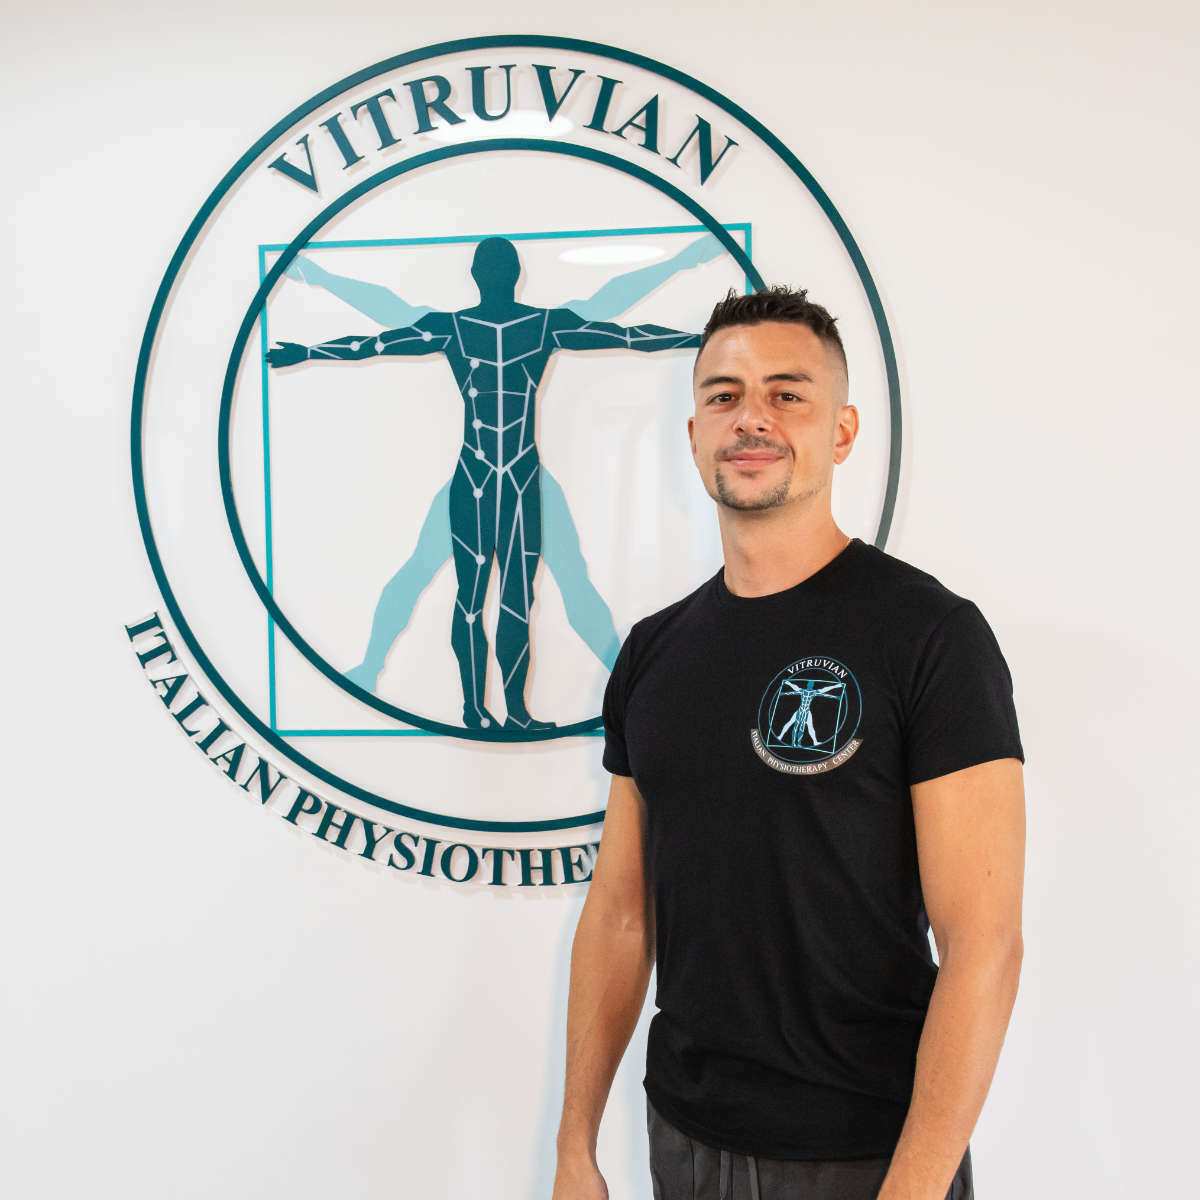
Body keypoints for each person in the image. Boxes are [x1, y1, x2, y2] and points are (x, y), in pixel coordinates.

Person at [552, 288, 1025, 1199]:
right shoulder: (653, 653)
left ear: (842, 432)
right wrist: (576, 1147)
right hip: (683, 1140)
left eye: (787, 394)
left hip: (866, 1155)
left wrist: (914, 1189)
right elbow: (618, 912)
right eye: (725, 396)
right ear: (695, 433)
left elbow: (985, 945)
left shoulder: (930, 636)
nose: (752, 418)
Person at [266, 236, 699, 731]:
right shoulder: (533, 325)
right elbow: (627, 336)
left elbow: (372, 344)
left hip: (491, 475)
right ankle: (488, 710)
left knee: (491, 598)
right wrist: (698, 338)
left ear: (478, 275)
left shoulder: (467, 327)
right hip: (507, 476)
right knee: (498, 599)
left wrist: (308, 350)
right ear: (512, 275)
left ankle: (498, 711)